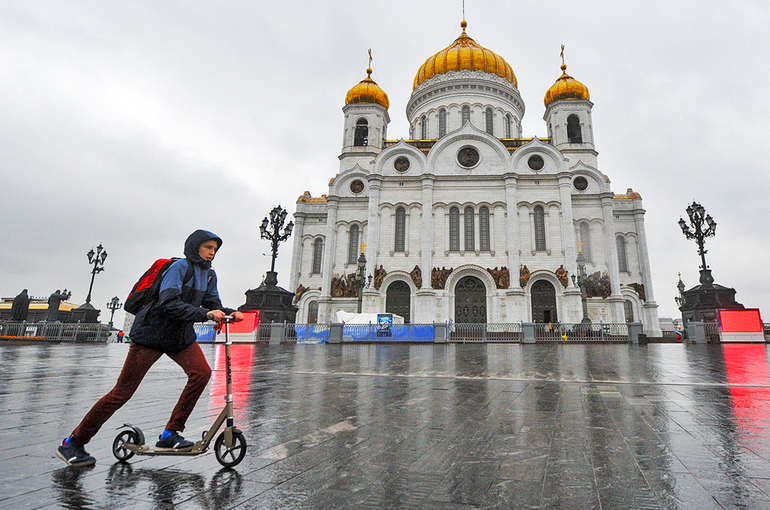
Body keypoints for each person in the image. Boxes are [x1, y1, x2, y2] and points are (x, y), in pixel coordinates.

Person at [56, 230, 243, 467]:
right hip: (152, 334)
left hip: (179, 337)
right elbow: (168, 303)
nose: (212, 253)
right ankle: (72, 442)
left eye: (215, 249)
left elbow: (212, 304)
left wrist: (228, 313)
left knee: (201, 374)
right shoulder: (179, 268)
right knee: (121, 393)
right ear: (195, 247)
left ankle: (170, 434)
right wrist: (205, 314)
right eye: (208, 247)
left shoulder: (208, 275)